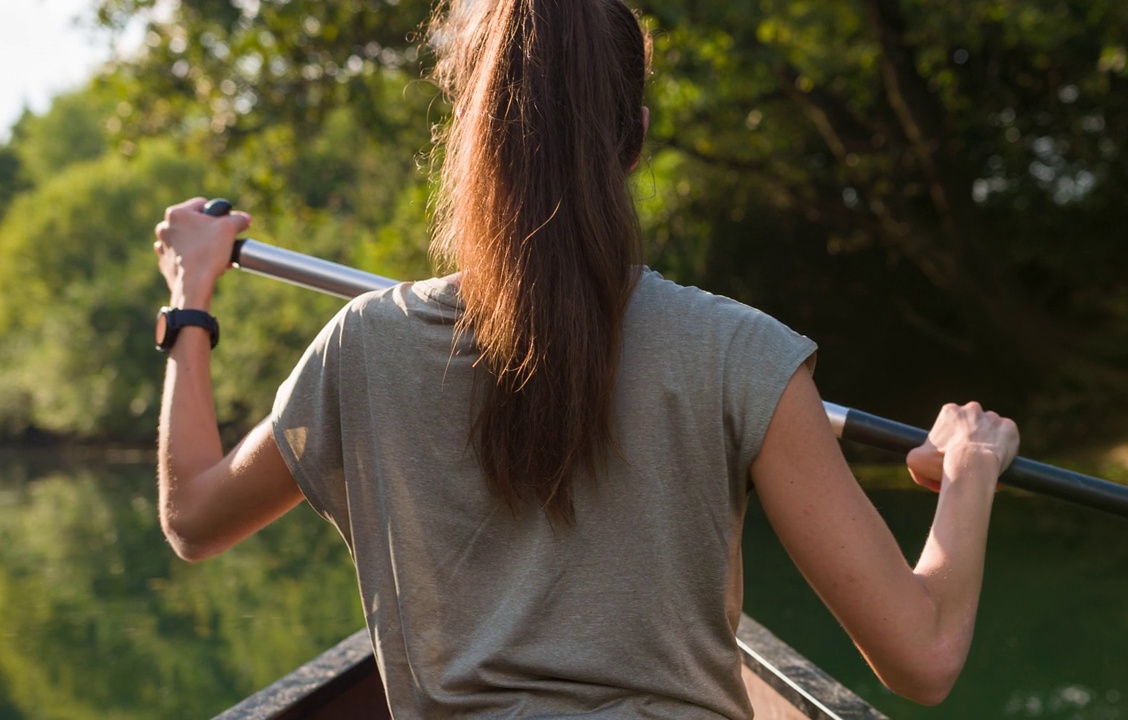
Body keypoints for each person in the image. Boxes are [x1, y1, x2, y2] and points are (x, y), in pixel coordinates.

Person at [151, 0, 1019, 717]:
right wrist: (971, 467)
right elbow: (924, 657)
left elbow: (193, 518)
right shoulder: (741, 351)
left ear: (471, 137)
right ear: (634, 138)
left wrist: (192, 296)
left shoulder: (365, 345)